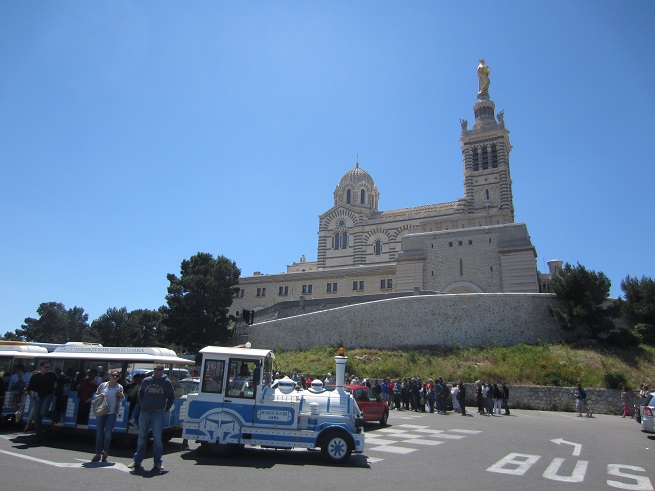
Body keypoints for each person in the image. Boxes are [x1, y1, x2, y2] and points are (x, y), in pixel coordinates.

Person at [129, 364, 175, 475]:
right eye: (155, 369)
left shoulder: (166, 382)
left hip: (158, 412)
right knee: (142, 437)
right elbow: (140, 392)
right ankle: (137, 461)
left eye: (159, 370)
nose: (157, 371)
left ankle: (158, 463)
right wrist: (141, 403)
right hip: (145, 411)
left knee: (157, 439)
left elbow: (172, 396)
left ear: (162, 371)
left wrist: (166, 409)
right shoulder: (146, 380)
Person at [92, 370, 124, 462]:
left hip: (112, 413)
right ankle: (97, 453)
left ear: (119, 377)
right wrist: (100, 395)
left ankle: (105, 451)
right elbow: (95, 396)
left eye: (117, 376)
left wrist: (122, 396)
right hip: (101, 411)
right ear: (109, 376)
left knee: (108, 433)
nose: (114, 377)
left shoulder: (119, 387)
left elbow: (122, 400)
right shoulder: (103, 385)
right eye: (113, 375)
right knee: (99, 433)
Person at [26, 360, 57, 443]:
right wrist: (32, 392)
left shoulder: (51, 375)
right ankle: (39, 436)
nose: (47, 369)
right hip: (38, 396)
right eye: (46, 367)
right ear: (40, 367)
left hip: (47, 395)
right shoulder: (35, 376)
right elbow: (30, 387)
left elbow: (57, 382)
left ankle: (55, 415)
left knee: (43, 412)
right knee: (37, 416)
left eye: (48, 367)